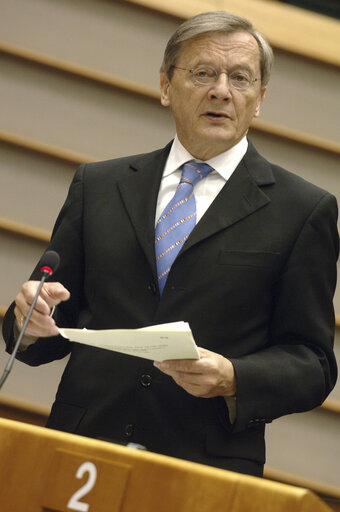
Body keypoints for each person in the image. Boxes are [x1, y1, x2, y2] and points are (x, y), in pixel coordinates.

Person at [2, 11, 338, 477]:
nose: (221, 90)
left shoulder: (303, 210)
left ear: (258, 99)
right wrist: (30, 318)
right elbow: (46, 324)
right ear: (165, 86)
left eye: (240, 78)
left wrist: (234, 378)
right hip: (82, 451)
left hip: (203, 467)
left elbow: (313, 362)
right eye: (203, 73)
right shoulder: (100, 184)